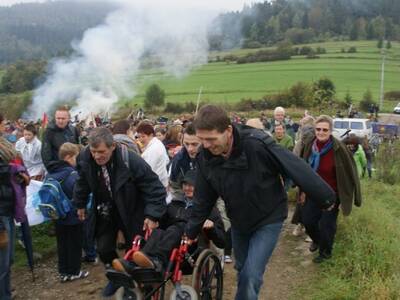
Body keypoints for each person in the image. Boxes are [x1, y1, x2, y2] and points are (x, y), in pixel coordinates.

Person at [185, 105, 336, 300]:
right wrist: (190, 231)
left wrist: (325, 197)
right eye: (202, 139)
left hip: (268, 218)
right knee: (241, 269)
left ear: (228, 131)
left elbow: (294, 166)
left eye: (211, 139)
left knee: (251, 275)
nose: (205, 145)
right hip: (240, 220)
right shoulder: (206, 158)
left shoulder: (256, 145)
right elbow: (203, 199)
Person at [73, 127, 166, 297]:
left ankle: (145, 285)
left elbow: (155, 188)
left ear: (112, 146)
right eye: (93, 151)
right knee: (103, 248)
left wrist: (152, 215)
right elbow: (82, 182)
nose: (97, 156)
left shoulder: (131, 161)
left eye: (101, 151)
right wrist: (79, 203)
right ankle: (118, 278)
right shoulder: (86, 159)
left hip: (132, 209)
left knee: (136, 249)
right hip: (106, 209)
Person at [112, 170, 225, 273]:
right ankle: (137, 263)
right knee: (157, 231)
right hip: (170, 245)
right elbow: (161, 223)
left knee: (175, 228)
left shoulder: (209, 209)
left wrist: (212, 227)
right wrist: (153, 219)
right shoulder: (174, 205)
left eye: (191, 185)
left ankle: (155, 260)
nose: (187, 188)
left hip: (190, 250)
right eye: (185, 184)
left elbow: (221, 241)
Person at [299, 115, 362, 263]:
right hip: (313, 192)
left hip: (331, 194)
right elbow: (302, 170)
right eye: (318, 129)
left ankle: (325, 253)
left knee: (327, 225)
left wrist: (342, 198)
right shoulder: (309, 145)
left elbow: (350, 173)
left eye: (325, 130)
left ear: (330, 131)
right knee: (308, 221)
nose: (321, 132)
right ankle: (317, 240)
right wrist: (302, 191)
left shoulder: (339, 149)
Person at [46, 143, 89, 282]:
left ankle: (63, 271)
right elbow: (77, 192)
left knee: (62, 244)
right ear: (69, 157)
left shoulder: (51, 172)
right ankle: (74, 271)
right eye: (76, 157)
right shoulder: (71, 173)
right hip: (72, 214)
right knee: (74, 243)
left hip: (57, 214)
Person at [41, 106, 80, 170]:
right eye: (58, 118)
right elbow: (46, 157)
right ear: (55, 118)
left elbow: (78, 150)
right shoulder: (49, 132)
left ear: (68, 118)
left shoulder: (73, 130)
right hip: (58, 169)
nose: (60, 121)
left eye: (63, 118)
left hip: (75, 168)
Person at [169, 123, 201, 200]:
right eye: (186, 144)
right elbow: (175, 187)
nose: (190, 149)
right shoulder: (178, 159)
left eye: (194, 144)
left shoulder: (214, 158)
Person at [136, 122, 169, 188]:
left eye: (143, 136)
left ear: (151, 135)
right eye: (139, 137)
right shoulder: (157, 143)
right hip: (159, 183)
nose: (140, 139)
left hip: (155, 186)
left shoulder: (153, 149)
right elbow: (167, 160)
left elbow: (147, 171)